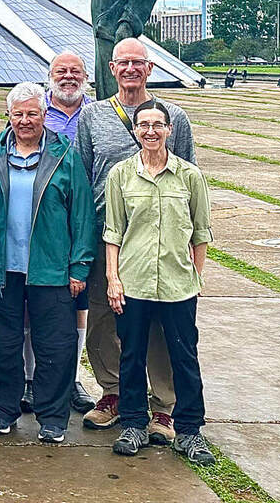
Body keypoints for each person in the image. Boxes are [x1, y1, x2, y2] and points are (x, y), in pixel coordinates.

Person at [78, 37, 197, 440]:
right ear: (111, 69)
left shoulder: (174, 116)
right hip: (104, 234)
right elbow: (83, 174)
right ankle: (113, 393)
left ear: (150, 69)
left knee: (163, 324)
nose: (130, 69)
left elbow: (186, 173)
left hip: (161, 238)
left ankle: (163, 404)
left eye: (138, 62)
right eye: (122, 62)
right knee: (104, 317)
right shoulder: (92, 116)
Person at [0, 82, 94, 444]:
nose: (25, 121)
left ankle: (52, 416)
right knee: (0, 341)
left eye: (32, 113)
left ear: (44, 115)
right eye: (18, 114)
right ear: (8, 116)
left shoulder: (64, 155)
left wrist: (79, 266)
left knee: (55, 345)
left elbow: (82, 215)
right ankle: (2, 410)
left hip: (50, 267)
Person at [105, 99, 215, 466]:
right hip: (133, 281)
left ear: (170, 130)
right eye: (143, 125)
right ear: (135, 131)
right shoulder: (121, 174)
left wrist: (196, 277)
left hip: (177, 284)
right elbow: (113, 232)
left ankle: (189, 431)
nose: (150, 131)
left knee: (183, 357)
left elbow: (201, 233)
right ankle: (134, 423)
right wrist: (112, 278)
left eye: (157, 125)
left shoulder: (189, 176)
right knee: (131, 356)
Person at [41, 51, 96, 414]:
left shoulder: (96, 112)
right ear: (49, 76)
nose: (68, 77)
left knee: (79, 305)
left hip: (81, 221)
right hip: (41, 223)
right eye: (61, 71)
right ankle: (34, 379)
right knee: (37, 304)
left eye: (76, 71)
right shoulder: (34, 108)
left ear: (86, 77)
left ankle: (71, 378)